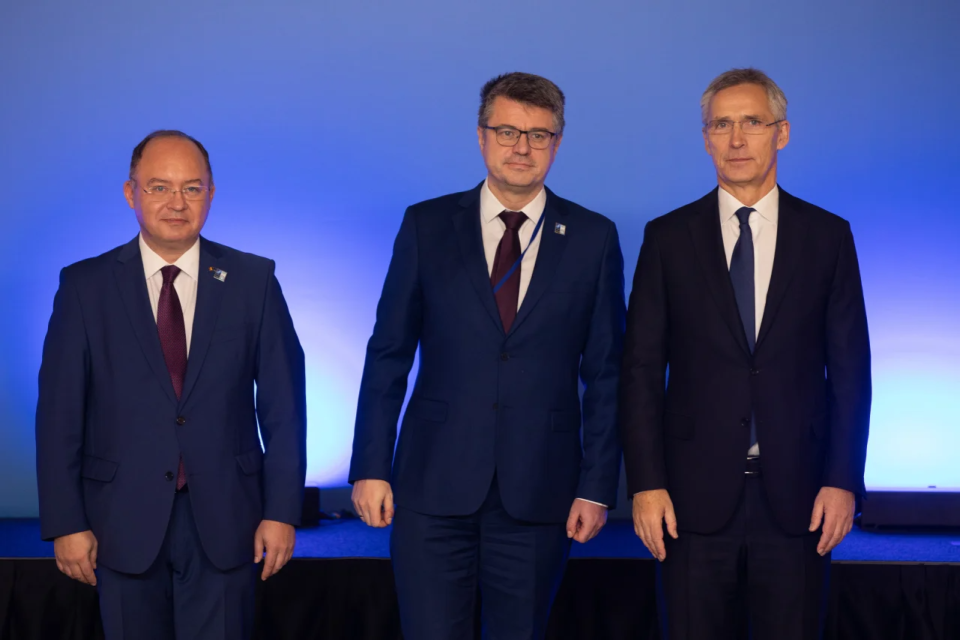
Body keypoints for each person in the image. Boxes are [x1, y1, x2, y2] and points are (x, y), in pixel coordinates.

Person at [349, 72, 625, 639]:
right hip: (430, 489)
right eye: (507, 131)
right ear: (481, 137)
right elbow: (388, 355)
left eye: (539, 135)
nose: (522, 147)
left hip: (539, 493)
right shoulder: (426, 225)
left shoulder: (594, 238)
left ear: (558, 143)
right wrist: (371, 467)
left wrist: (597, 485)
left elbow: (607, 375)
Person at [619, 68, 871, 639]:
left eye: (752, 123)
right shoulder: (667, 238)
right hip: (687, 503)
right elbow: (638, 371)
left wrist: (843, 479)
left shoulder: (828, 237)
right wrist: (645, 483)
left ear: (782, 133)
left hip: (801, 498)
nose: (736, 139)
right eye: (721, 124)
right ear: (705, 136)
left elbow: (852, 371)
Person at [35, 130, 307, 639]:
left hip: (230, 522)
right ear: (130, 193)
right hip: (118, 522)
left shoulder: (254, 280)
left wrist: (282, 512)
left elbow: (284, 407)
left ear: (211, 194)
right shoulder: (84, 286)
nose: (177, 203)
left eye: (192, 188)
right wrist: (65, 522)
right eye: (159, 187)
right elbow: (58, 414)